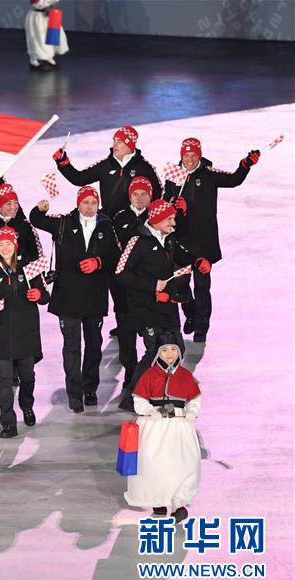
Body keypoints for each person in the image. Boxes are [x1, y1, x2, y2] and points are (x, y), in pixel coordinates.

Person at [29, 186, 120, 412]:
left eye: (93, 202)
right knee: (71, 346)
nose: (89, 207)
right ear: (78, 203)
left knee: (94, 345)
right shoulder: (63, 223)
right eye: (85, 202)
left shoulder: (107, 226)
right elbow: (36, 219)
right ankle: (74, 393)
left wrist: (98, 262)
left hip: (94, 296)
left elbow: (116, 257)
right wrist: (39, 208)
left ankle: (90, 388)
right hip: (67, 296)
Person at [115, 199, 211, 411]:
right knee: (155, 350)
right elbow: (120, 272)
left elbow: (183, 256)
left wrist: (196, 262)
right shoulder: (137, 241)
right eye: (169, 219)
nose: (174, 223)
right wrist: (152, 285)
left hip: (167, 305)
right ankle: (132, 398)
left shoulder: (169, 239)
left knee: (178, 348)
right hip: (144, 307)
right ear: (157, 220)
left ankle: (164, 392)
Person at [163, 138, 260, 343]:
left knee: (202, 286)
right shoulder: (173, 176)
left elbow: (234, 180)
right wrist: (175, 208)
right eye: (186, 155)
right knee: (180, 283)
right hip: (180, 240)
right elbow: (165, 206)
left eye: (193, 155)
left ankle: (201, 326)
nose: (189, 160)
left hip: (203, 242)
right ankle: (190, 314)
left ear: (199, 155)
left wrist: (245, 165)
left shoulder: (209, 174)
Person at [0, 227, 50, 438]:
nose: (5, 247)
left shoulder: (29, 269)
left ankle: (27, 406)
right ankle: (8, 422)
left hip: (26, 332)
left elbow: (46, 295)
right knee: (4, 381)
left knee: (28, 377)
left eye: (8, 243)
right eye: (1, 244)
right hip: (1, 334)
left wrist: (39, 294)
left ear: (15, 245)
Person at [124, 335, 202, 524]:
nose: (169, 354)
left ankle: (179, 505)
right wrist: (150, 411)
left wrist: (191, 411)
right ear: (158, 352)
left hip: (179, 426)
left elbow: (194, 399)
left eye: (173, 349)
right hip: (154, 427)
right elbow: (139, 400)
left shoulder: (185, 376)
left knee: (183, 464)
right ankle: (158, 504)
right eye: (165, 350)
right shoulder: (149, 375)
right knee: (154, 466)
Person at [53, 125, 162, 217]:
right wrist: (63, 164)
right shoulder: (105, 165)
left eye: (119, 141)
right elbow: (79, 179)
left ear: (129, 144)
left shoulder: (144, 167)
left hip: (135, 224)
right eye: (114, 141)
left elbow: (158, 194)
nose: (114, 145)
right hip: (110, 223)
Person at [110, 177, 152, 394]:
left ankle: (147, 377)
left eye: (144, 194)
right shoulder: (119, 218)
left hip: (147, 287)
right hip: (123, 287)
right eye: (136, 194)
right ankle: (130, 375)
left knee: (149, 334)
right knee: (126, 334)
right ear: (129, 195)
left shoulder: (155, 216)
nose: (140, 198)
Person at [24, 0, 68, 71]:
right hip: (37, 17)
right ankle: (33, 61)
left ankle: (48, 58)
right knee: (37, 39)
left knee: (52, 37)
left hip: (48, 15)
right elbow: (37, 2)